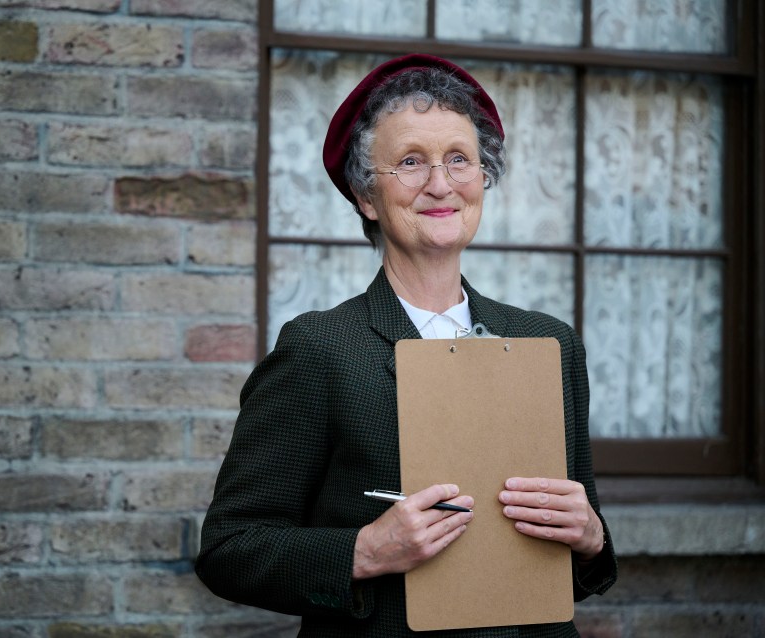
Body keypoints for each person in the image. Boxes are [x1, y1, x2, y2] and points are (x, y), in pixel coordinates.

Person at [196, 53, 617, 637]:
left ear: (483, 180)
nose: (440, 184)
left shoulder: (548, 342)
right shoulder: (318, 349)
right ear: (367, 197)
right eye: (411, 162)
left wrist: (592, 538)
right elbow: (230, 548)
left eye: (459, 160)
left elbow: (576, 561)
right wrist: (366, 550)